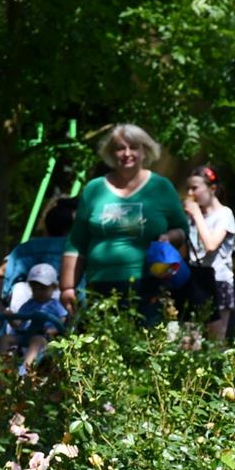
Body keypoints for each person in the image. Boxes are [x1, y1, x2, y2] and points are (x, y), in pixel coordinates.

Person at [60, 124, 187, 323]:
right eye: (120, 148)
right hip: (100, 286)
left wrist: (170, 237)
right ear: (111, 153)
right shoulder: (93, 189)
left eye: (134, 147)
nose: (127, 153)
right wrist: (67, 287)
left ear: (145, 150)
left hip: (149, 285)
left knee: (145, 341)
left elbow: (183, 230)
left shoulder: (161, 187)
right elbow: (77, 241)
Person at [183, 165, 235, 341]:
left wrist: (197, 215)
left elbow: (211, 245)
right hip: (195, 280)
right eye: (188, 188)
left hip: (218, 281)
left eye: (195, 188)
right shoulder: (192, 216)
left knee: (215, 343)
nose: (190, 193)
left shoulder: (224, 214)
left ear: (212, 188)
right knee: (189, 341)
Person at [0, 262, 67, 375]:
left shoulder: (55, 305)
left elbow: (62, 320)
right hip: (25, 335)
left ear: (54, 287)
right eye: (35, 288)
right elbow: (18, 324)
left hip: (45, 337)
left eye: (43, 288)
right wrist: (10, 317)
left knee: (36, 341)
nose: (38, 292)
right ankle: (6, 369)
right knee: (4, 339)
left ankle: (24, 371)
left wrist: (52, 330)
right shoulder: (28, 305)